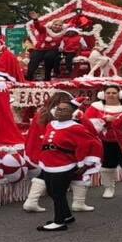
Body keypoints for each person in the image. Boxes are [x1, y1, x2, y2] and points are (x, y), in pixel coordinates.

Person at [25, 92, 102, 230]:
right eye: (58, 109)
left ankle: (59, 222)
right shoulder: (52, 124)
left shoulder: (76, 128)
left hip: (64, 165)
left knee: (58, 193)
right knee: (52, 191)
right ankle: (66, 216)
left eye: (64, 110)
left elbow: (93, 144)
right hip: (49, 164)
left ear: (72, 113)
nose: (60, 112)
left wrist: (86, 164)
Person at [82, 85, 122, 199]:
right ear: (103, 95)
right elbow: (88, 123)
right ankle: (108, 188)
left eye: (114, 93)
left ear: (119, 94)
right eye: (108, 93)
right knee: (107, 165)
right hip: (105, 141)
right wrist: (104, 120)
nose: (111, 95)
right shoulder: (95, 107)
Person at [25, 11, 65, 81]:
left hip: (53, 50)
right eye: (55, 24)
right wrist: (35, 20)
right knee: (34, 57)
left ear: (62, 27)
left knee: (49, 57)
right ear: (51, 25)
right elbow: (38, 26)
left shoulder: (63, 33)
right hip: (40, 49)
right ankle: (29, 76)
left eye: (59, 25)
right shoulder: (45, 30)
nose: (57, 26)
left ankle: (47, 76)